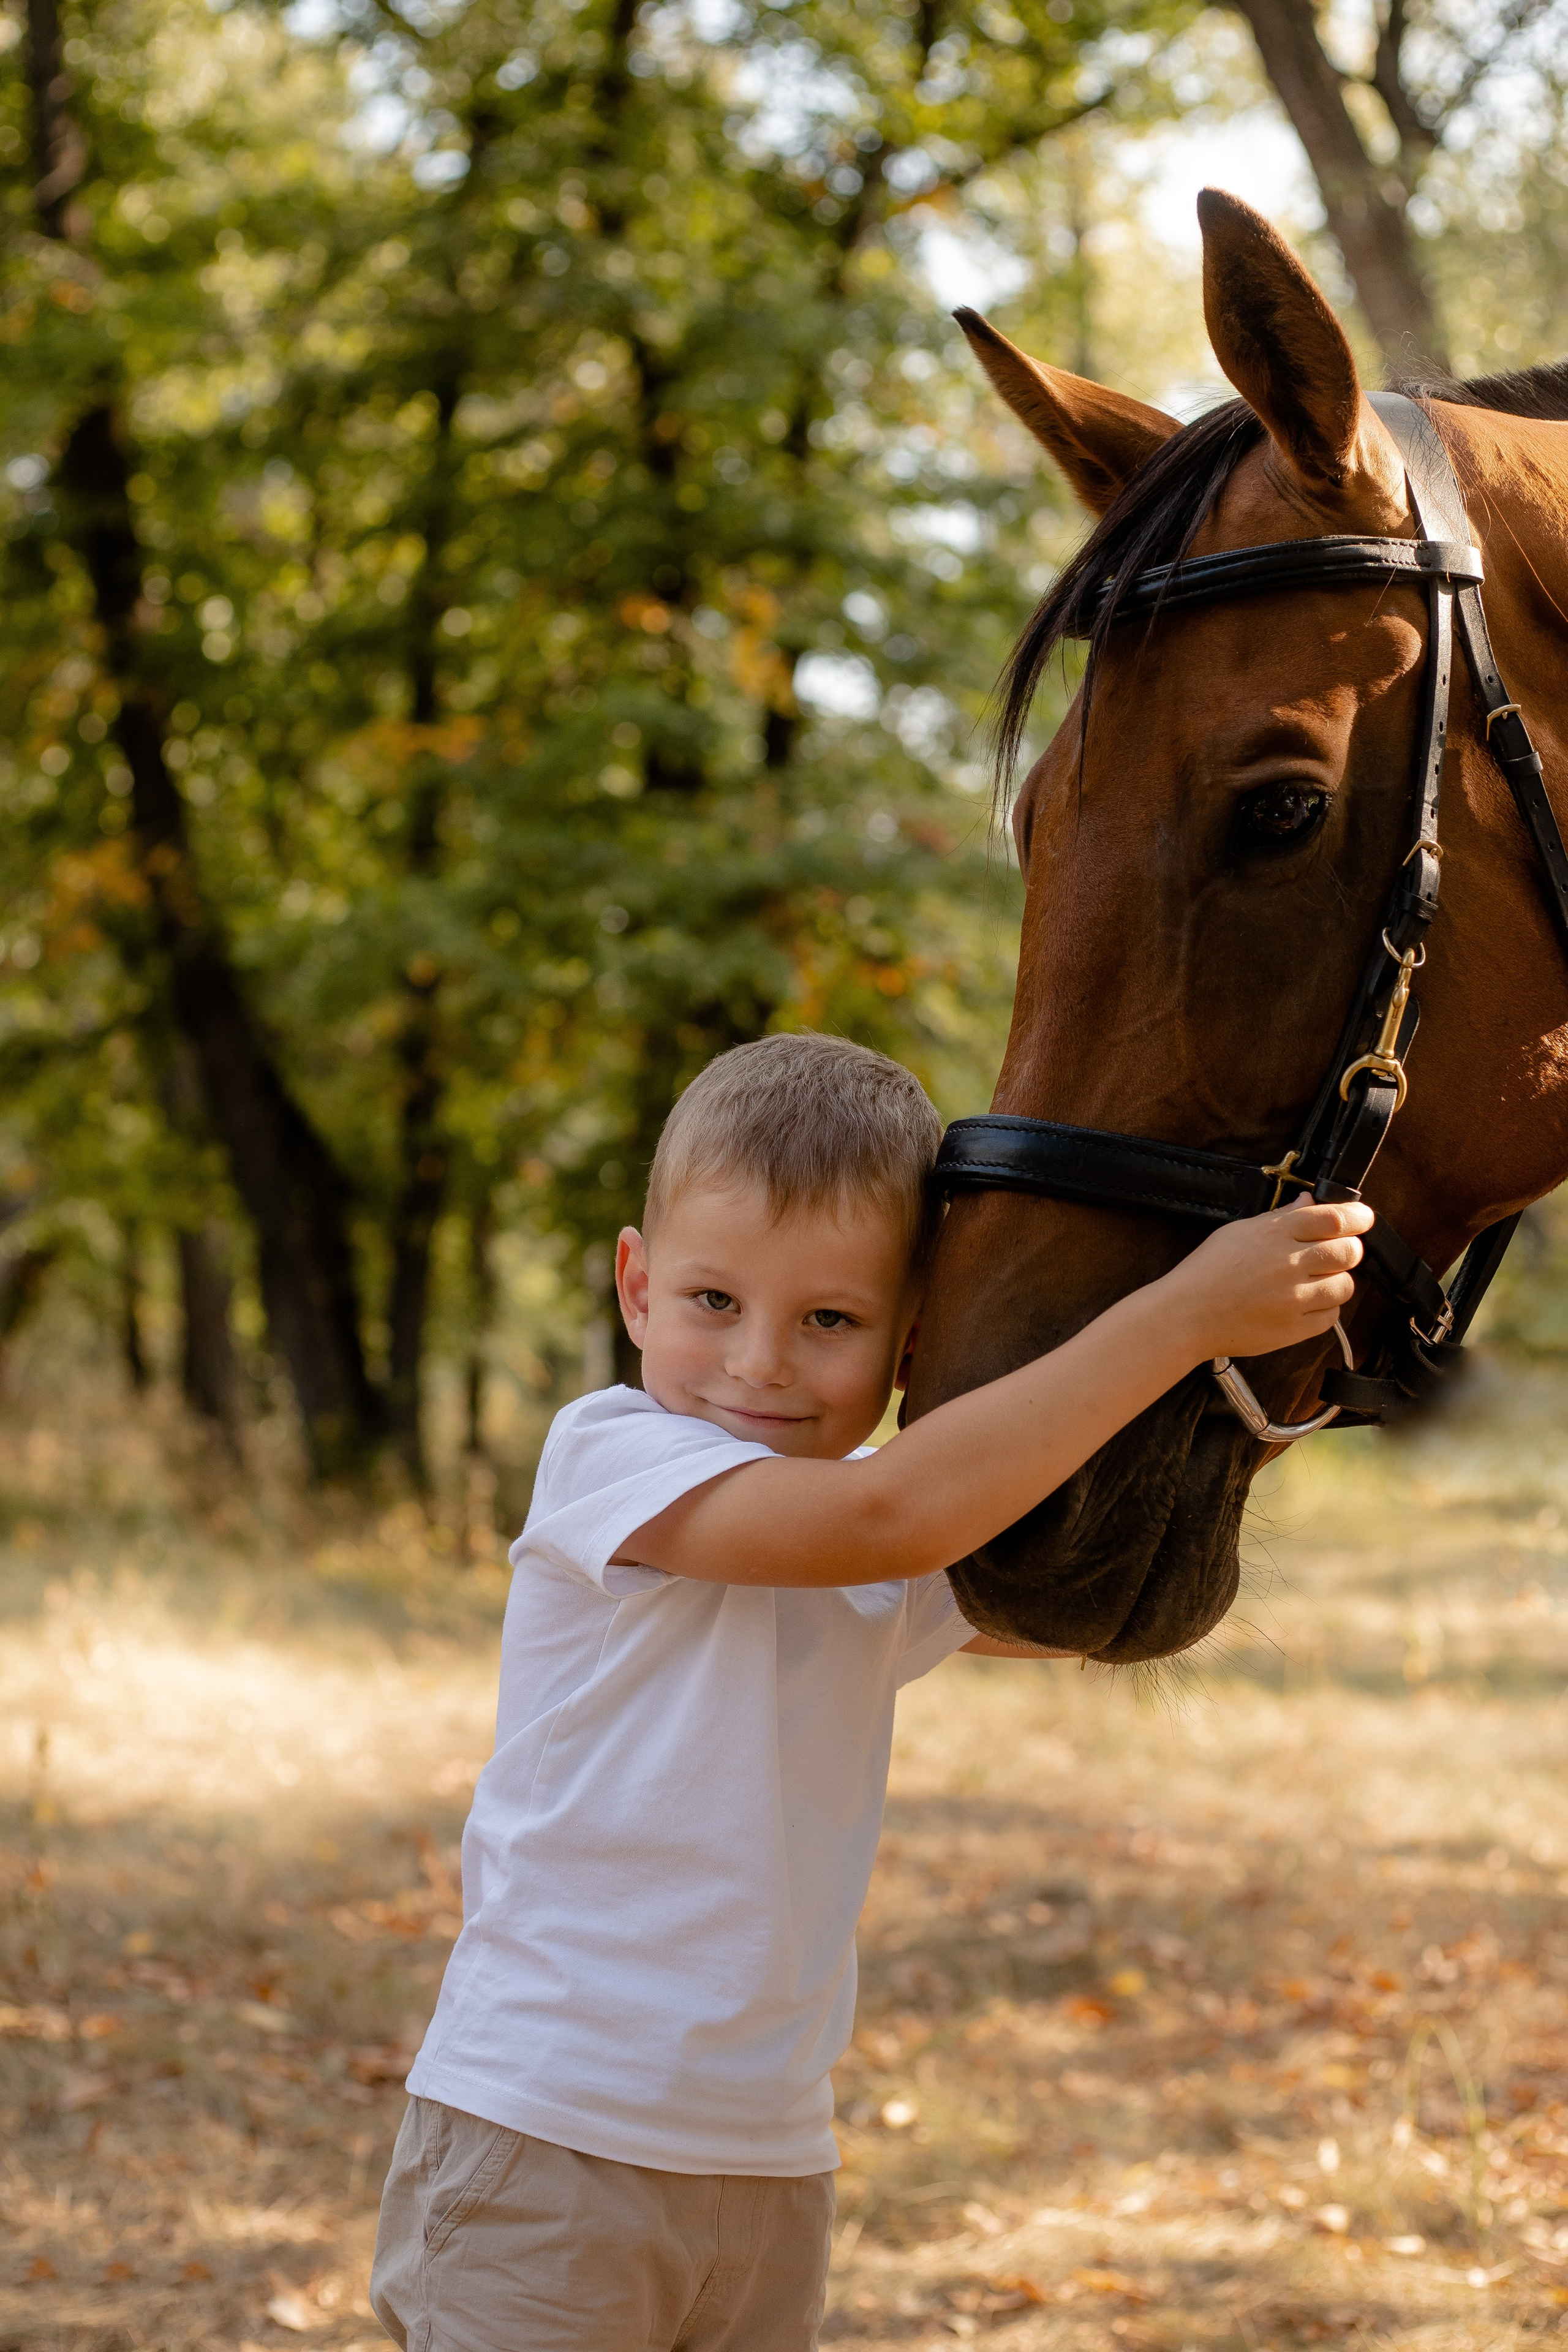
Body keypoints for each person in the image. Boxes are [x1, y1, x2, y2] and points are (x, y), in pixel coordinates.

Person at [370, 1031, 1368, 2352]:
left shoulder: (869, 1543)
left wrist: (1248, 1364)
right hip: (549, 2143)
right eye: (711, 1302)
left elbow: (1078, 1585)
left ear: (910, 1344)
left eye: (826, 1320)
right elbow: (897, 1509)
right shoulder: (608, 1462)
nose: (760, 1365)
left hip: (765, 2160)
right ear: (635, 1285)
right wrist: (1181, 1312)